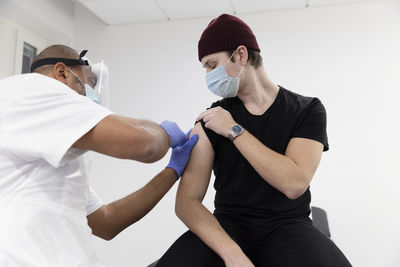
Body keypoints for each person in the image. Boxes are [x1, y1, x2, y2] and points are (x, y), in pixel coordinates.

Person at [156, 14, 352, 267]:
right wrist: (232, 253)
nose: (206, 74)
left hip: (288, 226)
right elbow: (186, 202)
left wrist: (234, 130)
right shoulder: (210, 119)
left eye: (211, 64)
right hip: (228, 226)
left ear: (240, 55)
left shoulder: (307, 110)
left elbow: (293, 183)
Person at [0, 44, 198, 266]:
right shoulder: (37, 89)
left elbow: (106, 222)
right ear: (62, 73)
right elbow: (145, 144)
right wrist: (165, 134)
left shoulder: (49, 151)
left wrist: (172, 171)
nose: (92, 93)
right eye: (90, 82)